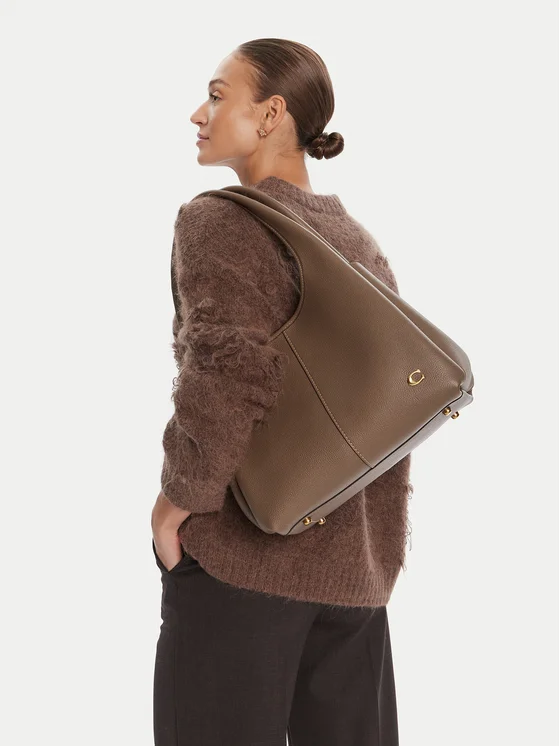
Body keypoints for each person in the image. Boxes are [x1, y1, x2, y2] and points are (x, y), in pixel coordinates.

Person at [151, 37, 413, 746]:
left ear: (270, 115)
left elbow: (225, 370)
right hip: (353, 577)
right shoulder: (353, 240)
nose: (197, 114)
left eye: (216, 95)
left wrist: (176, 505)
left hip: (245, 565)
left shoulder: (220, 220)